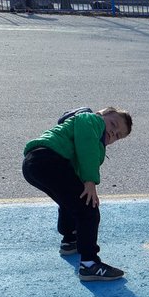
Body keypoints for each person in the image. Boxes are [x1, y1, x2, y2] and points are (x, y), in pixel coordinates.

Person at [22, 106, 133, 282]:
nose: (113, 132)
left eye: (118, 135)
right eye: (113, 124)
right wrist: (90, 181)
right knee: (88, 209)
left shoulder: (88, 132)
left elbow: (80, 162)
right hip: (48, 159)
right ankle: (89, 264)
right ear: (101, 114)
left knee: (73, 201)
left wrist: (83, 181)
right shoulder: (91, 120)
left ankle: (70, 239)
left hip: (35, 164)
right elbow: (87, 145)